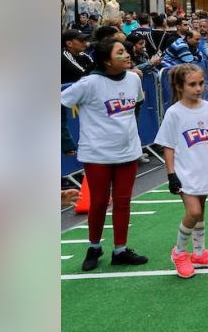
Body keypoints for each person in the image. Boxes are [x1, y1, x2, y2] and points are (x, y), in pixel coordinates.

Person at [60, 38, 149, 270]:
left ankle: (120, 250)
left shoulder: (133, 79)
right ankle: (94, 247)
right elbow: (61, 102)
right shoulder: (88, 84)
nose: (127, 55)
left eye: (126, 51)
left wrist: (131, 133)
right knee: (98, 202)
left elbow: (137, 103)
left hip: (128, 153)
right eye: (120, 52)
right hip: (97, 154)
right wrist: (64, 140)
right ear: (107, 61)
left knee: (123, 202)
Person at [156, 64, 208, 279]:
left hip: (205, 169)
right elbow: (167, 145)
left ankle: (199, 253)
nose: (198, 88)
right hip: (184, 172)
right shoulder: (174, 113)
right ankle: (179, 252)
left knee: (202, 210)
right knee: (194, 212)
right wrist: (171, 175)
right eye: (192, 84)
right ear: (180, 86)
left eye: (201, 83)